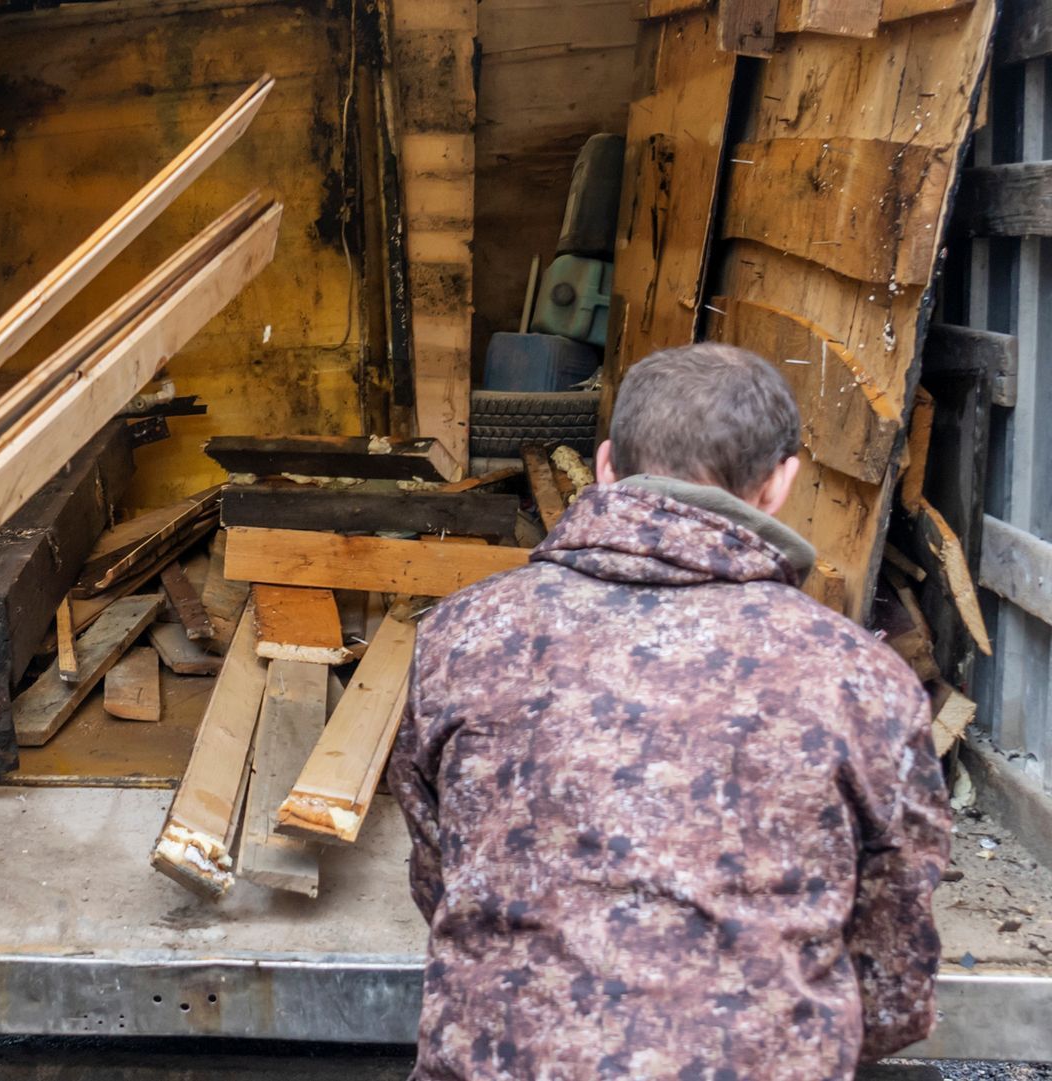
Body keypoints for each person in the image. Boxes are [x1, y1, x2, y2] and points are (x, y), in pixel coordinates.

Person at [389, 343, 949, 1080]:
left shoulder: (462, 635)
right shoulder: (862, 677)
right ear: (780, 484)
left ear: (605, 465)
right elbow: (894, 977)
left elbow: (441, 878)